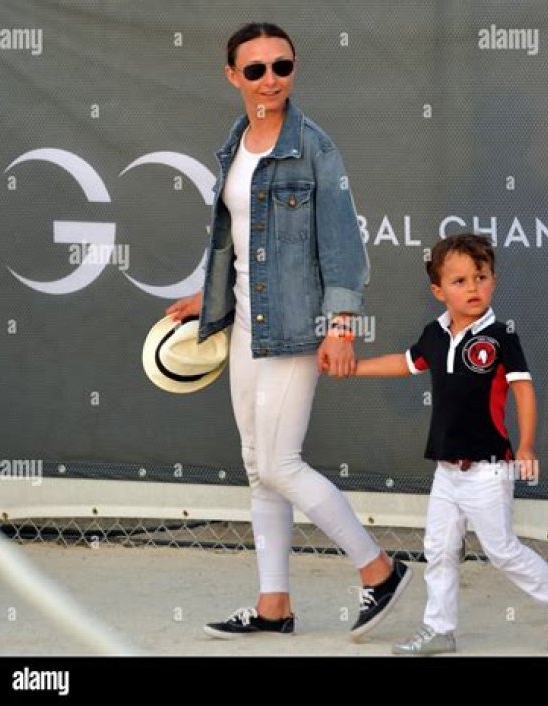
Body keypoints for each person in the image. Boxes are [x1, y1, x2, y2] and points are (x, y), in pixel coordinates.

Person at [166, 22, 411, 640]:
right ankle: (274, 605)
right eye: (256, 70)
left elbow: (344, 246)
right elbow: (237, 239)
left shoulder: (314, 147)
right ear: (233, 76)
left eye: (283, 66)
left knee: (280, 463)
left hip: (297, 326)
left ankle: (379, 569)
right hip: (245, 321)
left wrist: (341, 327)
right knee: (257, 466)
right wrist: (209, 297)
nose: (271, 79)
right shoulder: (235, 144)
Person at [351, 233, 548, 655]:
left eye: (481, 277)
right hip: (446, 471)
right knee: (439, 550)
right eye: (459, 281)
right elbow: (404, 363)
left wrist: (526, 445)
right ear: (438, 291)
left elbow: (523, 390)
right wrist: (354, 369)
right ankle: (439, 629)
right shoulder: (434, 335)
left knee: (502, 550)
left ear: (493, 281)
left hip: (489, 469)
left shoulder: (500, 337)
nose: (472, 288)